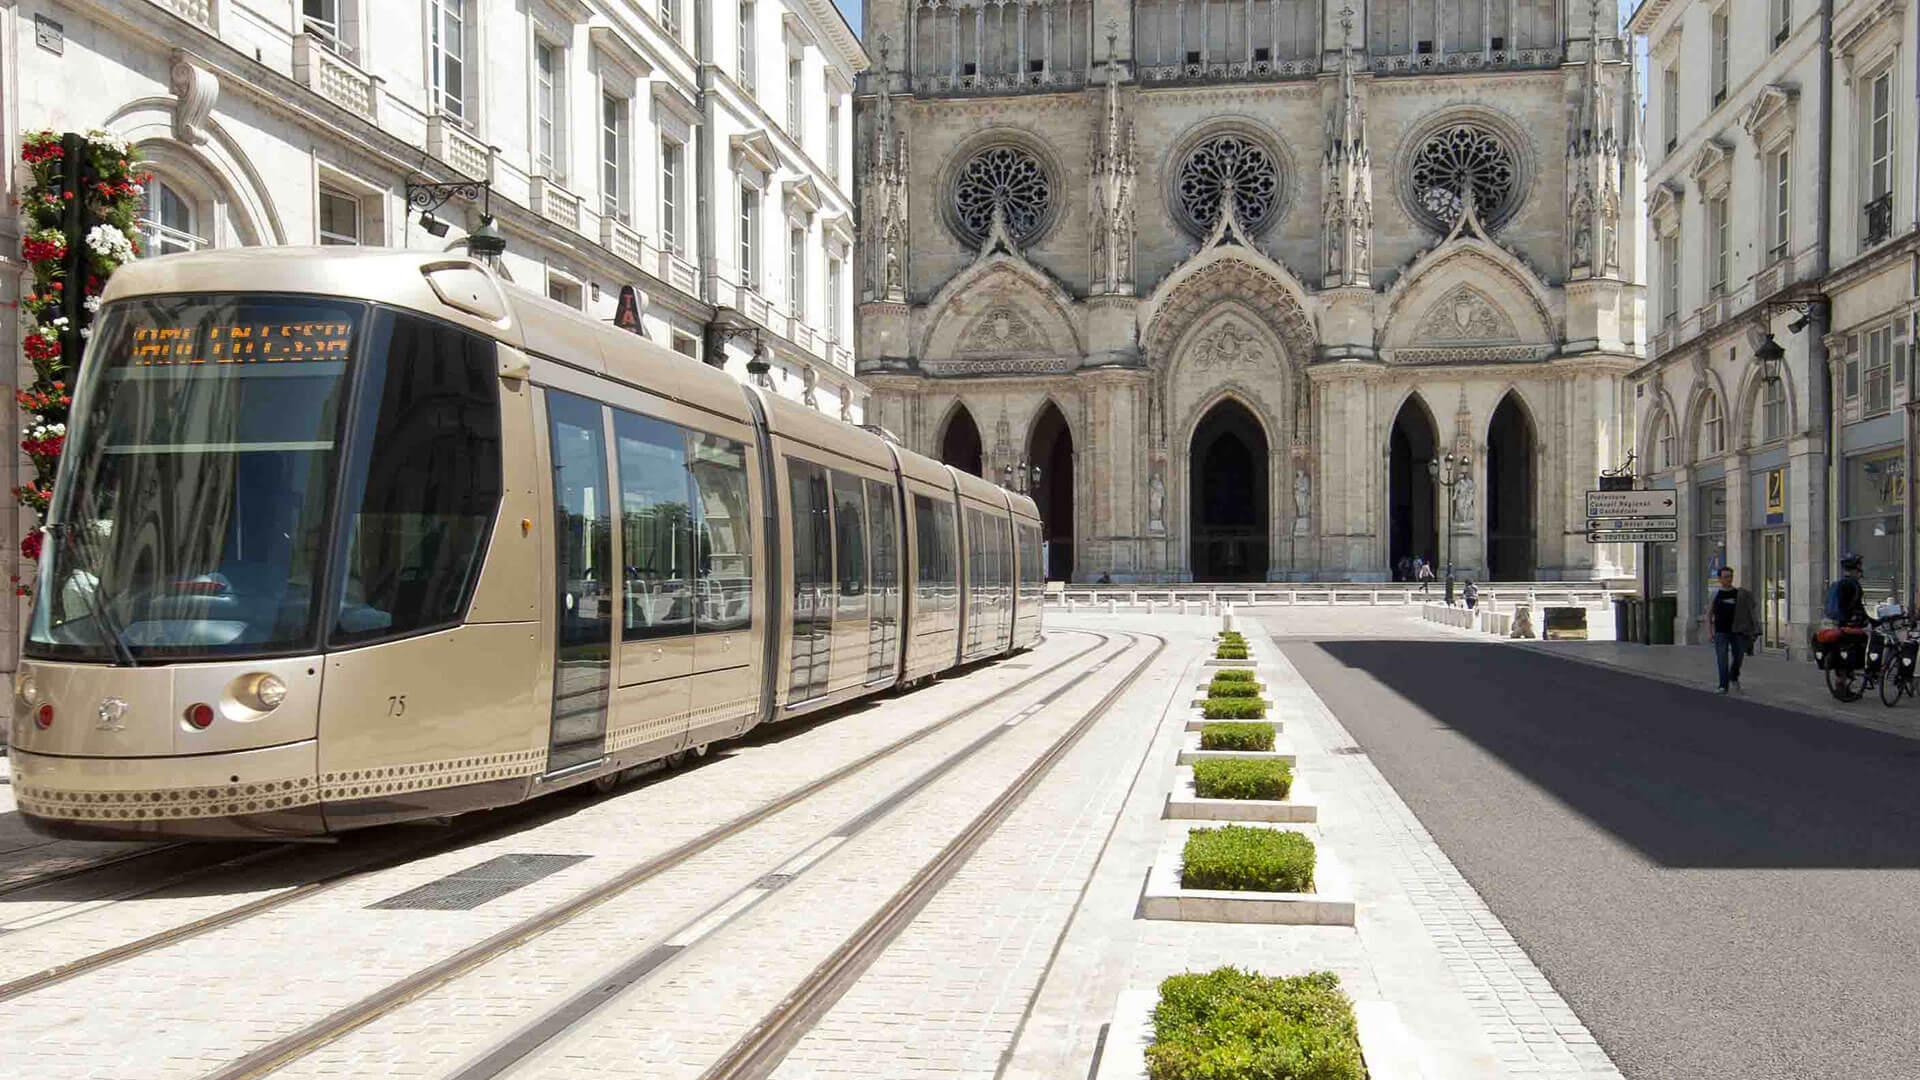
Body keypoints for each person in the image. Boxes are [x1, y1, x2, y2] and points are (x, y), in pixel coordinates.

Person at [1707, 566, 1760, 694]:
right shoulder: (1715, 594)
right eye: (1725, 577)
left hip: (1738, 631)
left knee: (1738, 657)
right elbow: (1709, 613)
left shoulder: (1740, 594)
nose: (1728, 579)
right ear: (1720, 579)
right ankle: (1723, 686)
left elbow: (1751, 609)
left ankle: (1733, 676)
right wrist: (1710, 632)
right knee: (1722, 659)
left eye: (1730, 576)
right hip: (1721, 632)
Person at [1825, 553, 1867, 626]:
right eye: (1860, 566)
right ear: (1856, 567)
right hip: (1849, 626)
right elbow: (1857, 607)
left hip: (1836, 624)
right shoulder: (1852, 585)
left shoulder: (1838, 583)